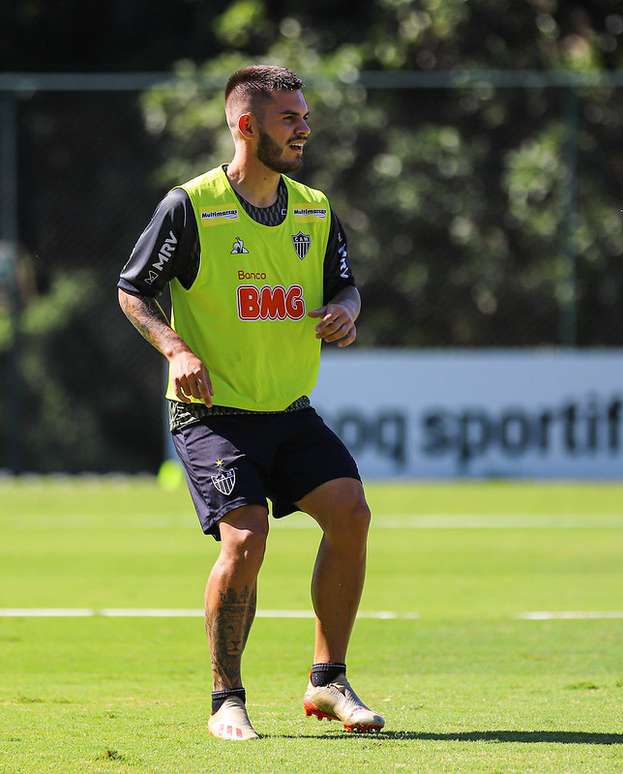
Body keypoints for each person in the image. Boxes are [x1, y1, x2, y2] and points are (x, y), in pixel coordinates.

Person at [117, 65, 384, 740]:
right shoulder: (192, 205)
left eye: (304, 116)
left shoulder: (316, 209)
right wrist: (176, 349)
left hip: (288, 411)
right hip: (212, 416)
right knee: (246, 540)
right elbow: (132, 291)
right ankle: (226, 698)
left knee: (350, 513)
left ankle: (327, 682)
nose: (304, 128)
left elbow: (343, 287)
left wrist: (346, 312)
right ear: (245, 125)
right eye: (289, 118)